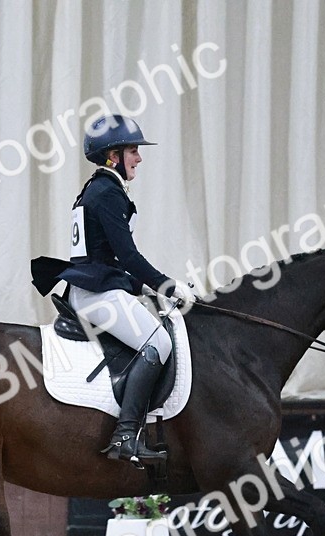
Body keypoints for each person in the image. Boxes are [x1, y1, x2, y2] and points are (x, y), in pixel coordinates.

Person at [60, 114, 196, 467]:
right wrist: (168, 286)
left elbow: (107, 258)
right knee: (159, 343)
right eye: (133, 150)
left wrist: (150, 291)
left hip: (97, 286)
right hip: (96, 295)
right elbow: (129, 257)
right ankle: (125, 434)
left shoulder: (99, 188)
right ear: (113, 156)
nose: (139, 158)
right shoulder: (106, 192)